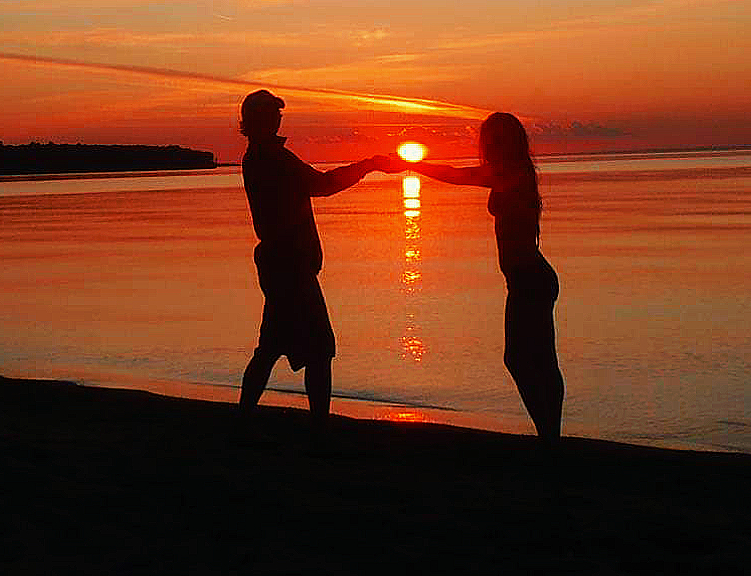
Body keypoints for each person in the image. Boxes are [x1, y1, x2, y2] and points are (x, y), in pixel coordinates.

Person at [236, 89, 400, 441]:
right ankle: (317, 428)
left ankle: (246, 421)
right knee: (319, 349)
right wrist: (368, 165)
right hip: (289, 266)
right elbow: (322, 185)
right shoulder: (271, 159)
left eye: (279, 113)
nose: (279, 119)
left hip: (281, 265)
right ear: (257, 121)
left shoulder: (259, 157)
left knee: (272, 346)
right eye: (272, 114)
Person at [411, 112, 564, 440]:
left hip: (530, 280)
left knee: (526, 360)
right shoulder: (515, 171)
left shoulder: (510, 172)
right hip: (527, 279)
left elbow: (459, 175)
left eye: (490, 138)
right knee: (536, 360)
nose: (485, 144)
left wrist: (414, 164)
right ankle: (550, 434)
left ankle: (549, 434)